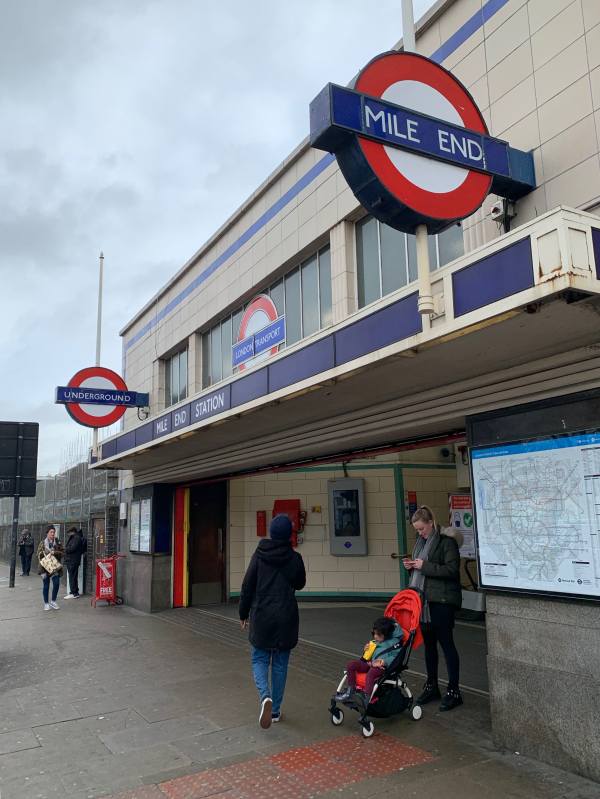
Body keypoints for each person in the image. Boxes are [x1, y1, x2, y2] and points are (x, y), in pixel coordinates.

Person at [239, 514, 306, 729]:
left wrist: (243, 613)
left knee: (259, 659)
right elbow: (301, 583)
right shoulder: (295, 558)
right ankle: (275, 711)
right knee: (280, 664)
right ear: (289, 534)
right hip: (286, 617)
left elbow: (247, 585)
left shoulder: (259, 555)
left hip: (262, 615)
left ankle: (264, 697)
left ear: (271, 532)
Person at [403, 505, 463, 711]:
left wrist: (424, 566)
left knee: (447, 645)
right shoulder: (421, 543)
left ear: (431, 523)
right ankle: (432, 685)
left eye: (422, 529)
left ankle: (454, 690)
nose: (420, 533)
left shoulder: (447, 542)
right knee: (429, 646)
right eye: (417, 530)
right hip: (424, 601)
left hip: (442, 602)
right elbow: (421, 571)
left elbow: (452, 570)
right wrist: (412, 566)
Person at [336, 616, 404, 703]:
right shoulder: (376, 641)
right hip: (370, 663)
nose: (375, 636)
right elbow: (365, 658)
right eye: (373, 633)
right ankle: (350, 691)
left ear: (386, 634)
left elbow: (395, 657)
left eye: (378, 634)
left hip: (381, 667)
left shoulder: (395, 644)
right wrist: (366, 651)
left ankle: (366, 698)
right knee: (351, 665)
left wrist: (384, 662)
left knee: (371, 673)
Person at [37, 525, 64, 611]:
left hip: (54, 567)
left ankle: (53, 601)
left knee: (56, 583)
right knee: (46, 585)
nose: (53, 534)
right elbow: (38, 554)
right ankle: (46, 603)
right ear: (47, 533)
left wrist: (54, 552)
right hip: (45, 567)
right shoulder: (43, 543)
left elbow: (63, 552)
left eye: (53, 532)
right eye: (51, 532)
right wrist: (44, 552)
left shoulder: (58, 542)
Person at [64, 527, 85, 599]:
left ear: (72, 532)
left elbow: (72, 548)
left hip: (73, 560)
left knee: (72, 577)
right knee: (73, 577)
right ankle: (75, 592)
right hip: (72, 560)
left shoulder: (76, 538)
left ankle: (73, 593)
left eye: (69, 533)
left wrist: (65, 549)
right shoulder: (75, 537)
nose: (68, 534)